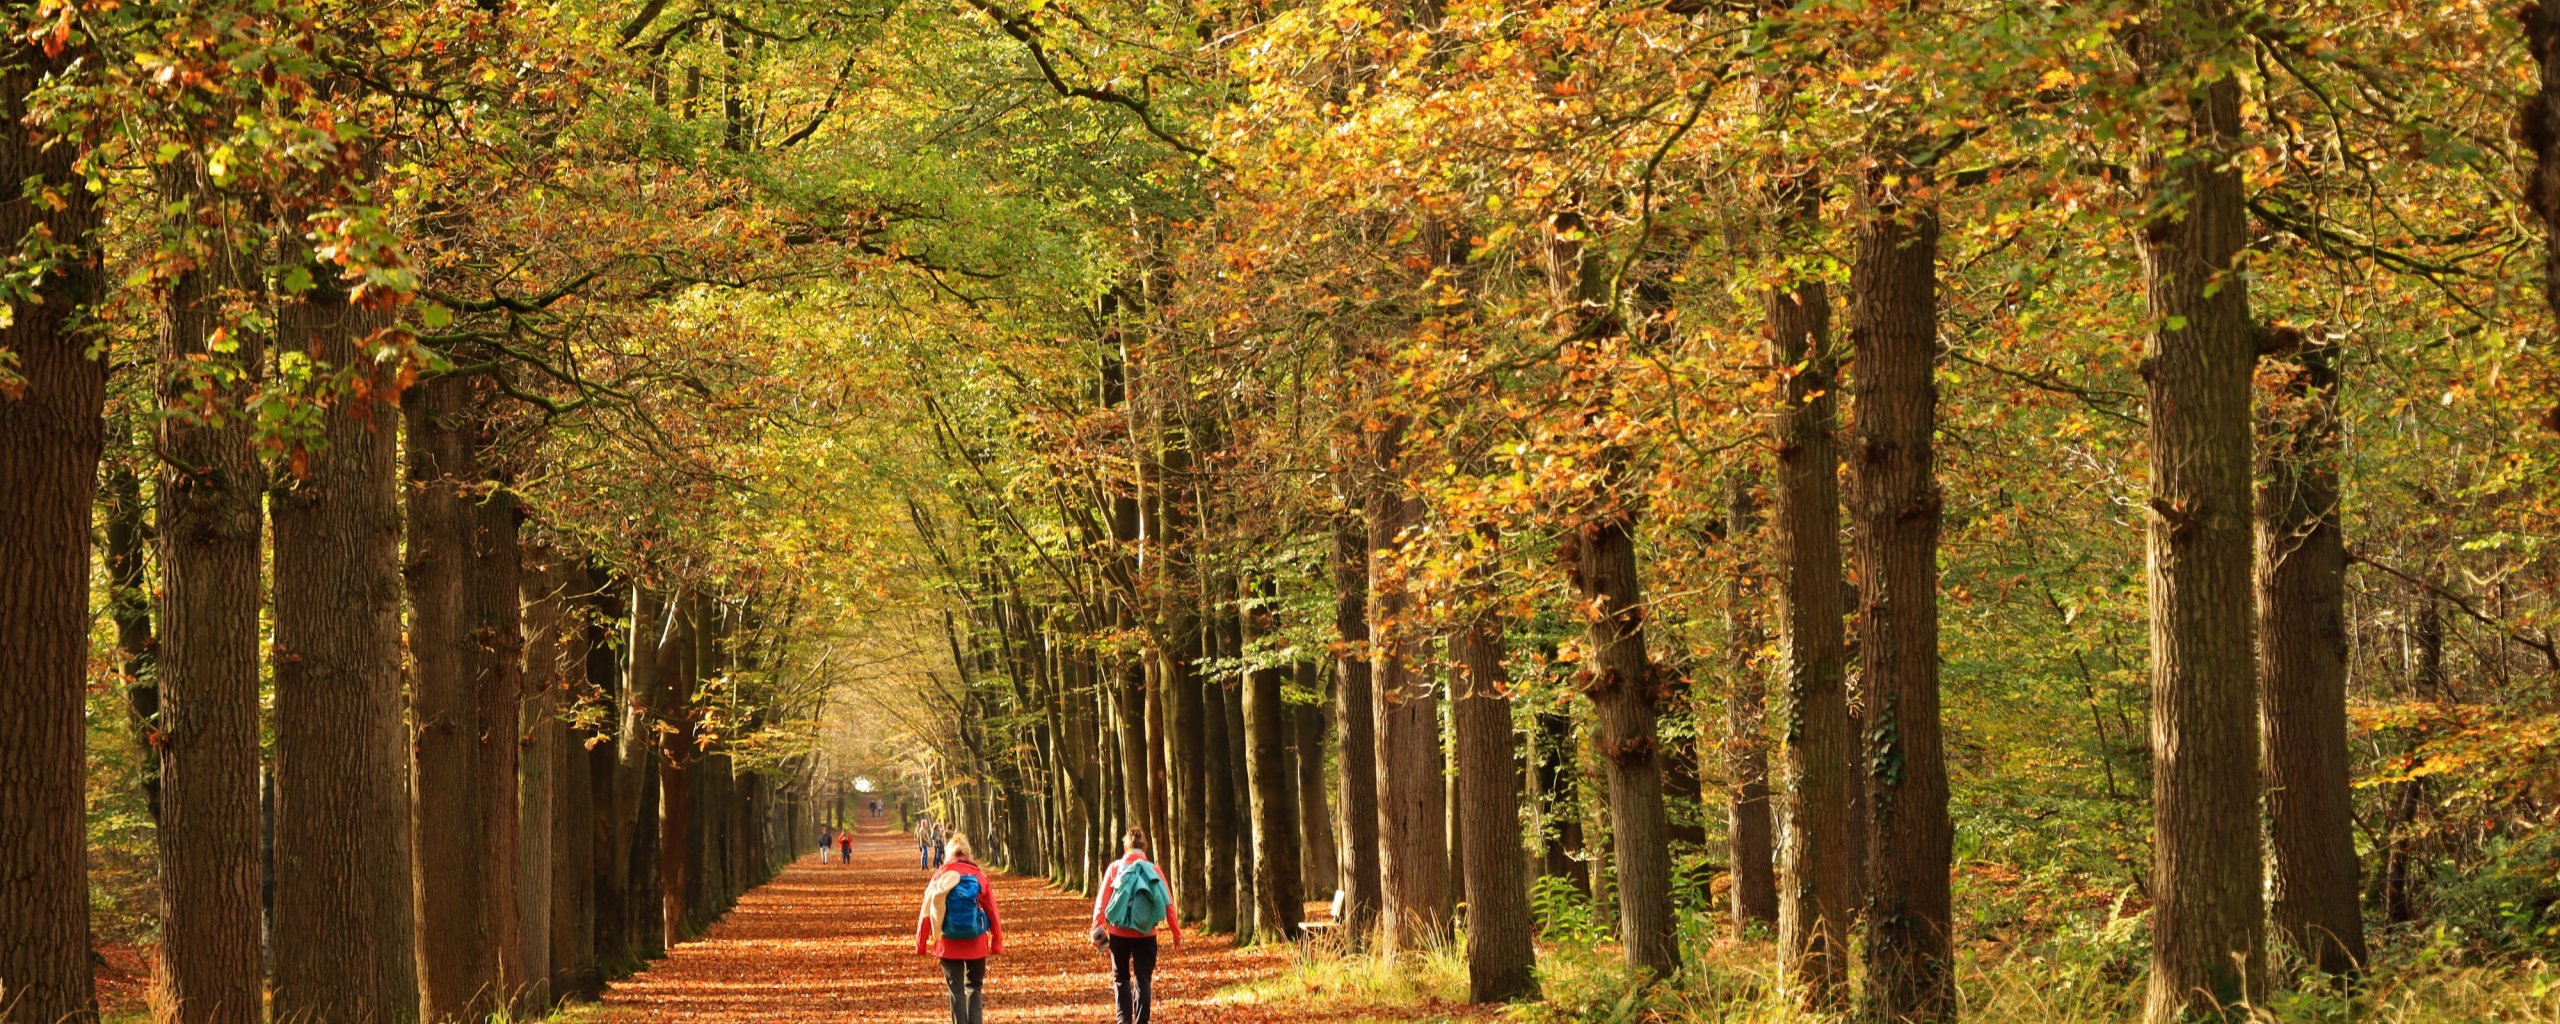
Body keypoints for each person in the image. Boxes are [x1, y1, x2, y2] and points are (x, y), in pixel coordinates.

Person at [1089, 828, 1181, 1024]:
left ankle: (1123, 1021)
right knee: (1143, 979)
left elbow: (1101, 905)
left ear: (1125, 847)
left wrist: (1098, 939)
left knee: (1120, 978)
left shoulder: (1115, 869)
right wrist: (1176, 934)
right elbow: (1168, 904)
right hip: (1146, 934)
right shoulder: (1154, 870)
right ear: (1144, 847)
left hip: (1118, 934)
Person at [916, 833, 1002, 1024]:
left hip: (948, 941)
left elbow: (926, 912)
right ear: (968, 853)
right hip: (976, 941)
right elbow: (992, 911)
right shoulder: (979, 876)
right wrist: (996, 942)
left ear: (948, 853)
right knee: (974, 986)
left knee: (956, 989)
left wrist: (921, 944)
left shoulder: (940, 876)